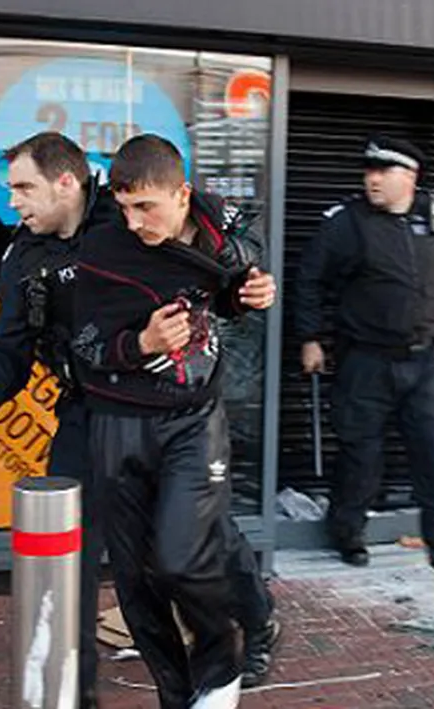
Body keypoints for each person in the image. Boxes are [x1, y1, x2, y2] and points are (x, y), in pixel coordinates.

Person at [71, 134, 277, 708]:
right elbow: (83, 343)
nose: (135, 221)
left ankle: (221, 664)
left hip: (193, 417)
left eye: (147, 206)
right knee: (137, 584)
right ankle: (177, 694)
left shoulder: (222, 227)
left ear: (183, 194)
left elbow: (236, 276)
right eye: (124, 206)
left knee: (182, 556)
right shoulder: (104, 248)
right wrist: (140, 342)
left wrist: (253, 292)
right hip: (117, 419)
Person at [0, 131, 118, 706]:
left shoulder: (127, 227)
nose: (13, 201)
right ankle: (75, 691)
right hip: (82, 412)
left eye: (23, 188)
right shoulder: (24, 255)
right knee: (71, 556)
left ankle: (253, 619)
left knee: (184, 549)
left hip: (154, 414)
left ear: (66, 182)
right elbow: (6, 350)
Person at [293, 134, 434, 572]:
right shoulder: (346, 223)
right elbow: (308, 278)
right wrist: (309, 337)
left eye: (383, 171)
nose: (372, 179)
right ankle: (348, 534)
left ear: (410, 177)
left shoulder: (431, 216)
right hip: (365, 361)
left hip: (421, 362)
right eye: (369, 170)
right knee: (361, 454)